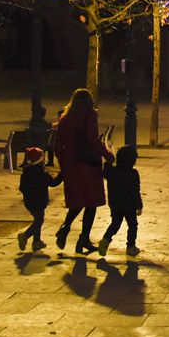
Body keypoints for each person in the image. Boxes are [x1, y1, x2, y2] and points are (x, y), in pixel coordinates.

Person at [52, 88, 108, 254]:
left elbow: (57, 146)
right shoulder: (89, 115)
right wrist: (108, 155)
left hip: (71, 164)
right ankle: (83, 238)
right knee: (91, 202)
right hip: (88, 164)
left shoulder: (65, 119)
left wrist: (64, 165)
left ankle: (65, 226)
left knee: (79, 200)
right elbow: (91, 139)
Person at [98, 146, 143, 257]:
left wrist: (107, 164)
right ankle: (131, 246)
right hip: (129, 205)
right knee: (132, 225)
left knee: (115, 223)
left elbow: (104, 173)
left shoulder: (112, 172)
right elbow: (135, 191)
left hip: (115, 204)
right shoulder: (133, 174)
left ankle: (105, 240)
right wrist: (139, 205)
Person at [16, 147, 61, 252]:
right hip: (39, 201)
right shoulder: (42, 174)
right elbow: (54, 183)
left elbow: (22, 188)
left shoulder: (26, 174)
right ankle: (25, 236)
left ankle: (37, 242)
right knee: (38, 221)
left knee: (37, 219)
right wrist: (62, 175)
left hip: (29, 201)